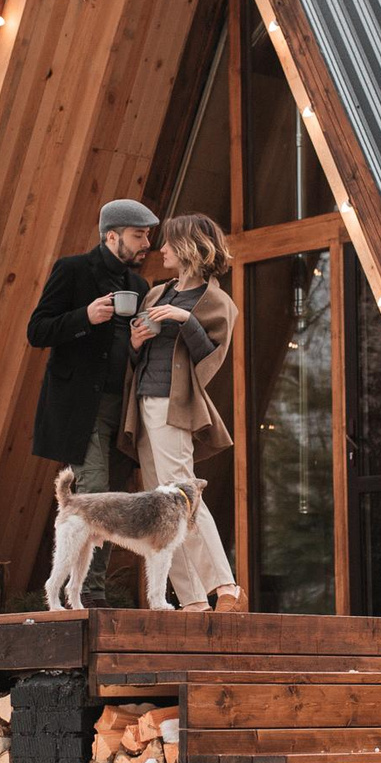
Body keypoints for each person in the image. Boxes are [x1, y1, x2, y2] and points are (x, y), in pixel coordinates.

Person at [120, 213, 243, 611]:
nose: (162, 249)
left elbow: (210, 359)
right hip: (143, 403)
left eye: (170, 243)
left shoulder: (216, 302)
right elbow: (138, 358)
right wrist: (135, 343)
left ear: (190, 247)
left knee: (182, 494)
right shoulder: (156, 294)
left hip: (173, 406)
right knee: (163, 507)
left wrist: (186, 320)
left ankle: (226, 587)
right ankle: (192, 601)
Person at [27, 195, 157, 509]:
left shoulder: (139, 285)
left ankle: (81, 545)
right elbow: (37, 331)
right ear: (112, 236)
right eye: (138, 235)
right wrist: (84, 316)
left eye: (147, 235)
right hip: (83, 405)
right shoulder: (72, 269)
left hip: (124, 408)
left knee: (118, 501)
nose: (147, 243)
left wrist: (137, 343)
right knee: (96, 495)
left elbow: (131, 350)